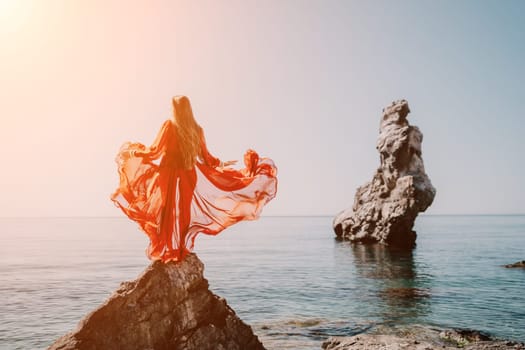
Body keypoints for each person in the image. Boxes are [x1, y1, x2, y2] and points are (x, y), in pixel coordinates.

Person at [111, 96, 277, 262]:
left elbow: (154, 152)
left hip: (168, 175)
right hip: (188, 177)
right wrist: (221, 163)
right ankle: (178, 249)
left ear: (175, 109)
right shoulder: (197, 129)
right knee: (182, 214)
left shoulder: (169, 126)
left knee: (165, 212)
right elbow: (206, 158)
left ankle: (169, 250)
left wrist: (132, 153)